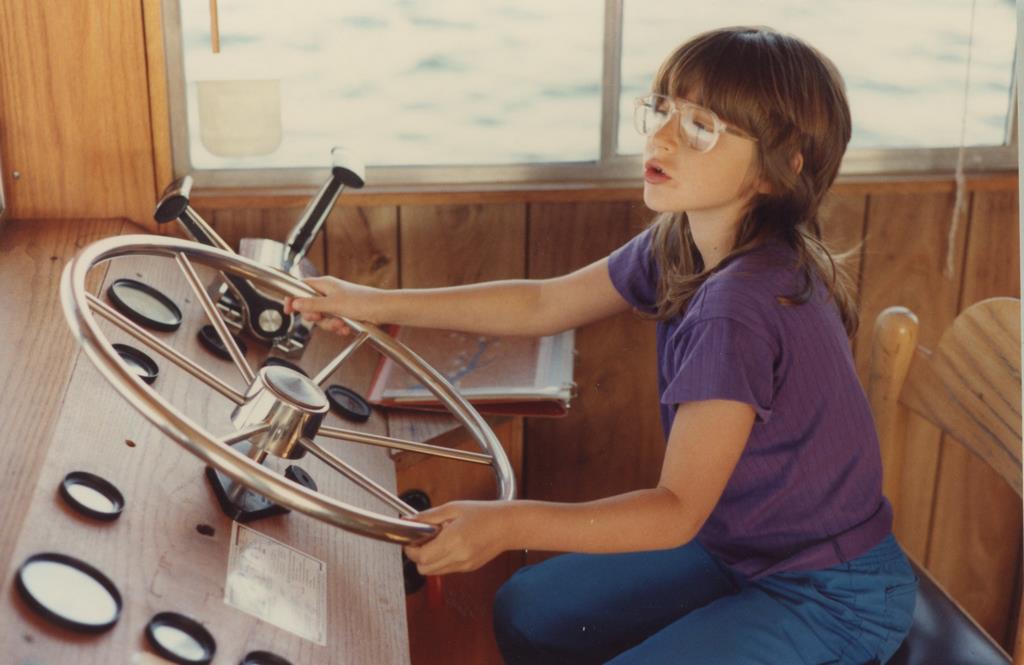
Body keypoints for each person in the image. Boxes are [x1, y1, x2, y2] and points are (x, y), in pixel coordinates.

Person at [285, 25, 918, 665]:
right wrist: (373, 303)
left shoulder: (741, 306)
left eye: (701, 127)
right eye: (663, 109)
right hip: (734, 547)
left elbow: (675, 513)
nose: (662, 137)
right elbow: (545, 303)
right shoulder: (680, 242)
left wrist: (506, 523)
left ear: (781, 170)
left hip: (832, 593)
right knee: (530, 611)